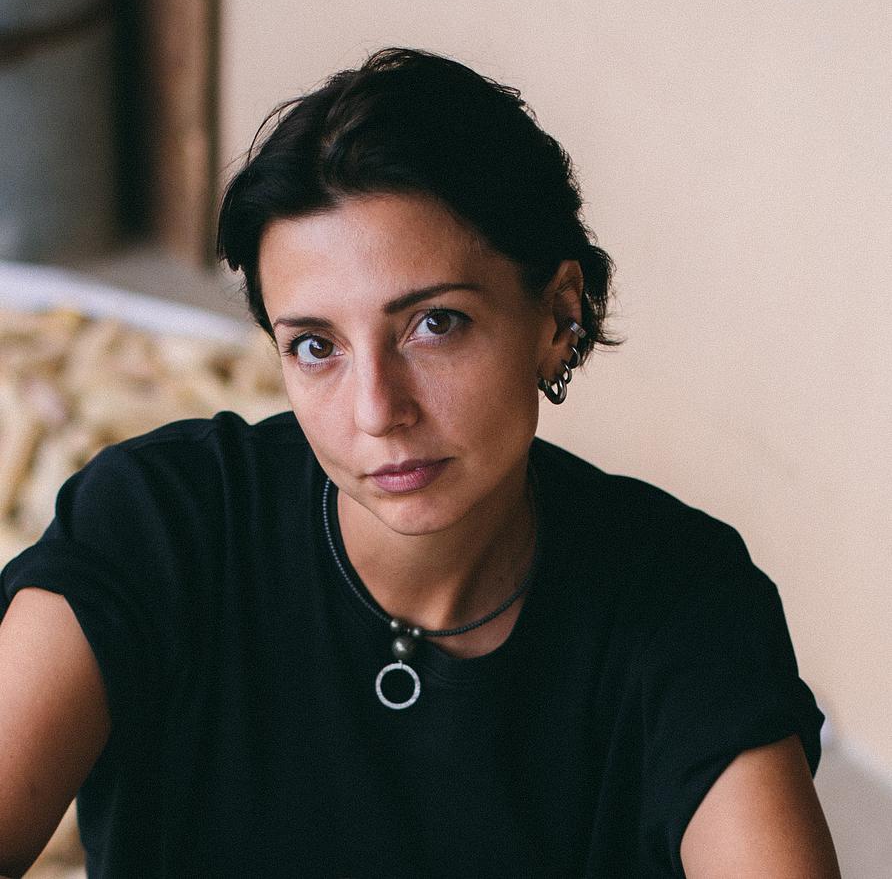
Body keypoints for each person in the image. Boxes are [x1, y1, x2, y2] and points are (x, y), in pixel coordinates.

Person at [0, 48, 839, 877]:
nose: (376, 411)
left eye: (435, 324)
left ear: (558, 316)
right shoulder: (158, 525)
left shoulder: (680, 599)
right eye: (316, 346)